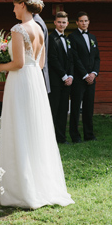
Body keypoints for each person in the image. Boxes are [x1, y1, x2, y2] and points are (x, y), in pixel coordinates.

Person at [0, 0, 74, 209]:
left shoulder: (18, 29)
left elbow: (18, 63)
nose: (13, 9)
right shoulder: (41, 29)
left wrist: (0, 66)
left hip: (20, 81)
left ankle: (22, 190)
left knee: (19, 128)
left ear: (22, 4)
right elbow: (39, 64)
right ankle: (39, 184)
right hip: (35, 81)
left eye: (14, 5)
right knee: (34, 130)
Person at [69, 11, 100, 143]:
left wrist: (94, 73)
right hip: (79, 78)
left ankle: (89, 134)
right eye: (81, 21)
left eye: (86, 21)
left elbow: (97, 58)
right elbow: (75, 58)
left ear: (88, 22)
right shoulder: (72, 37)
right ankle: (75, 136)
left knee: (89, 107)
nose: (84, 23)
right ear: (77, 22)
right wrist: (85, 75)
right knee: (76, 108)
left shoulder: (93, 37)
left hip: (92, 78)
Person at [47, 11, 74, 144]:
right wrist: (63, 76)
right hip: (56, 81)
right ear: (55, 23)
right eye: (59, 22)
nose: (61, 24)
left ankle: (61, 137)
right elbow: (53, 59)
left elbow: (70, 59)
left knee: (64, 110)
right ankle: (51, 139)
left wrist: (70, 76)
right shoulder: (51, 39)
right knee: (54, 110)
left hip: (67, 81)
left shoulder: (68, 39)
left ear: (67, 24)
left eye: (64, 22)